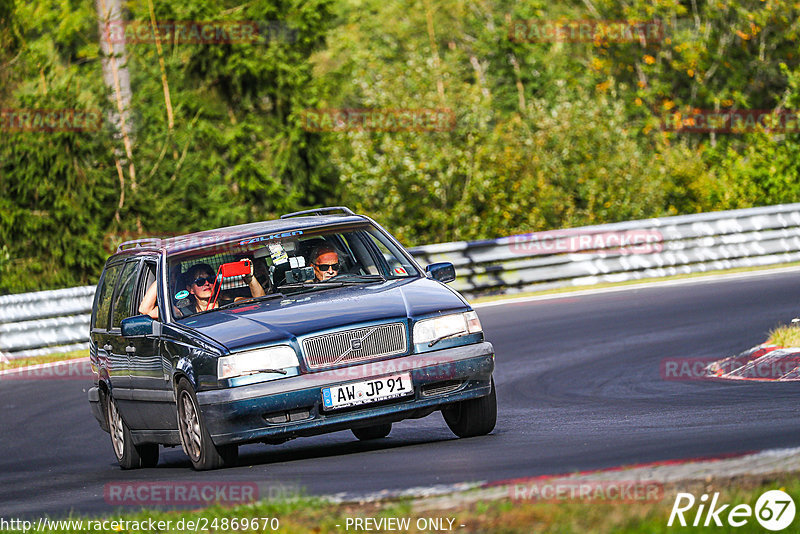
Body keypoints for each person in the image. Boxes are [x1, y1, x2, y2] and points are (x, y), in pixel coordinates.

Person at [139, 260, 265, 319]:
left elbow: (261, 303)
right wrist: (162, 277)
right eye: (199, 281)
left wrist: (250, 278)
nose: (206, 283)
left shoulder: (231, 304)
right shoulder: (183, 311)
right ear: (190, 289)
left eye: (210, 279)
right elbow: (145, 310)